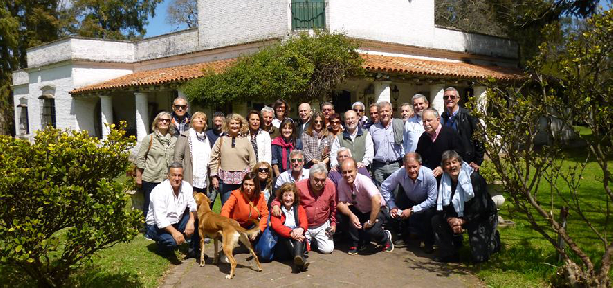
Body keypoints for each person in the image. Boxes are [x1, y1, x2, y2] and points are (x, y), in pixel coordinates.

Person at [431, 150, 500, 263]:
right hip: (457, 216)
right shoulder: (442, 182)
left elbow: (480, 207)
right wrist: (450, 220)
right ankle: (449, 253)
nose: (452, 166)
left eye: (454, 162)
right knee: (436, 220)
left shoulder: (475, 179)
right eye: (448, 164)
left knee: (480, 258)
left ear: (460, 163)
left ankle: (494, 240)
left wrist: (462, 221)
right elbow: (441, 206)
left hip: (480, 217)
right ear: (443, 167)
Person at [271, 163, 337, 254]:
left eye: (322, 180)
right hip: (305, 225)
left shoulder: (330, 186)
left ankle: (314, 240)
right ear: (310, 177)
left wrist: (333, 224)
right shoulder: (299, 186)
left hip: (322, 224)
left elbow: (334, 207)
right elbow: (283, 197)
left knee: (327, 249)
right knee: (302, 248)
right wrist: (276, 205)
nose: (319, 183)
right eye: (316, 180)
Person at [380, 153, 437, 253]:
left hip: (427, 202)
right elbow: (385, 186)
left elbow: (432, 199)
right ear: (404, 165)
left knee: (429, 215)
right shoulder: (400, 173)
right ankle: (402, 236)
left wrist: (412, 210)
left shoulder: (429, 175)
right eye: (409, 167)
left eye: (414, 167)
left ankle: (428, 242)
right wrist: (392, 206)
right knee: (397, 208)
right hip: (410, 198)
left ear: (420, 164)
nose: (412, 170)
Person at [337, 158, 393, 254]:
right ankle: (358, 241)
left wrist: (371, 222)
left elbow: (377, 200)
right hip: (360, 209)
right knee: (340, 214)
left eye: (350, 171)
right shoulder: (341, 182)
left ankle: (385, 238)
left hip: (376, 209)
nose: (347, 175)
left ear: (356, 170)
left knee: (372, 230)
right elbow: (340, 203)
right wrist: (352, 216)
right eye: (344, 172)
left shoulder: (364, 181)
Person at [145, 162, 198, 256]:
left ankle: (193, 249)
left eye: (179, 175)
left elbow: (192, 205)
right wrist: (175, 233)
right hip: (156, 226)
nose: (177, 179)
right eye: (174, 175)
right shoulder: (159, 191)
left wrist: (191, 221)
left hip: (176, 221)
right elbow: (160, 219)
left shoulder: (186, 187)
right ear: (168, 176)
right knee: (172, 243)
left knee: (197, 219)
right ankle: (162, 247)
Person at [136, 111, 177, 230]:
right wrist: (139, 176)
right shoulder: (149, 139)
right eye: (161, 120)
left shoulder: (174, 140)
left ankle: (165, 227)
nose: (164, 122)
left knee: (166, 205)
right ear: (156, 122)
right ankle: (149, 229)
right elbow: (140, 158)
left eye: (167, 120)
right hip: (151, 177)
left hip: (167, 179)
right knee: (150, 204)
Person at [209, 114, 256, 206]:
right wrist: (214, 177)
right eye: (232, 123)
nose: (234, 126)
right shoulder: (221, 140)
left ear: (241, 125)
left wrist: (251, 179)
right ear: (227, 125)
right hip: (226, 181)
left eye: (237, 123)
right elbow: (213, 158)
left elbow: (252, 161)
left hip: (243, 180)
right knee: (227, 207)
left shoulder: (246, 141)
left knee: (242, 207)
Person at [441, 87, 485, 171]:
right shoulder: (443, 117)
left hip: (467, 162)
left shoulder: (469, 115)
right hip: (449, 162)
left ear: (458, 99)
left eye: (452, 97)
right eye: (446, 97)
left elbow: (480, 138)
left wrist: (477, 162)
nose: (449, 99)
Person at [270, 183, 309, 272]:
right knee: (293, 237)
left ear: (295, 197)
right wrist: (291, 233)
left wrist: (301, 229)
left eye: (290, 195)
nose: (288, 198)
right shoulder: (277, 210)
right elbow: (277, 226)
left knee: (299, 235)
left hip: (296, 240)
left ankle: (298, 260)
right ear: (281, 197)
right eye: (285, 195)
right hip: (283, 245)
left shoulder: (299, 208)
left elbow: (304, 221)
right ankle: (300, 260)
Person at [415, 108, 465, 177]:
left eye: (429, 120)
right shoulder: (423, 138)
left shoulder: (450, 133)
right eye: (424, 121)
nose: (426, 124)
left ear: (438, 120)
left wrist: (443, 168)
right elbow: (419, 157)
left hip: (450, 177)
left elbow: (459, 154)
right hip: (430, 178)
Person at [369, 101, 405, 187]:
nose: (384, 113)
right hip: (379, 167)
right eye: (381, 111)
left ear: (391, 112)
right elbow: (370, 148)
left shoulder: (399, 125)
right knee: (381, 195)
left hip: (395, 165)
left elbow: (404, 145)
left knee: (396, 194)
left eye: (386, 111)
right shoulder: (373, 128)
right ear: (378, 113)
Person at [174, 112, 211, 194]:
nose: (200, 120)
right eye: (198, 118)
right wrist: (178, 175)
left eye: (203, 119)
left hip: (203, 178)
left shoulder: (206, 138)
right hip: (189, 176)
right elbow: (177, 157)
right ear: (192, 121)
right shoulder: (185, 136)